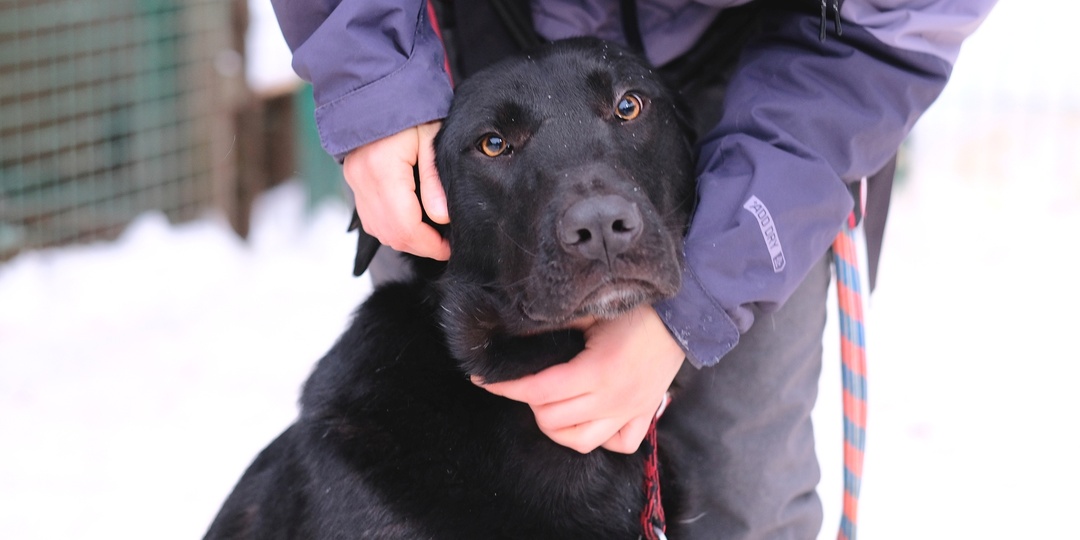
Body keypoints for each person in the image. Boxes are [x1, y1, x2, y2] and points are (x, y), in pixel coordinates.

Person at [269, 0, 996, 537]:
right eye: (498, 145)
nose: (598, 222)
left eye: (625, 109)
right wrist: (372, 75)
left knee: (744, 492)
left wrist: (699, 298)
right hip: (439, 43)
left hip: (769, 75)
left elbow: (878, 45)